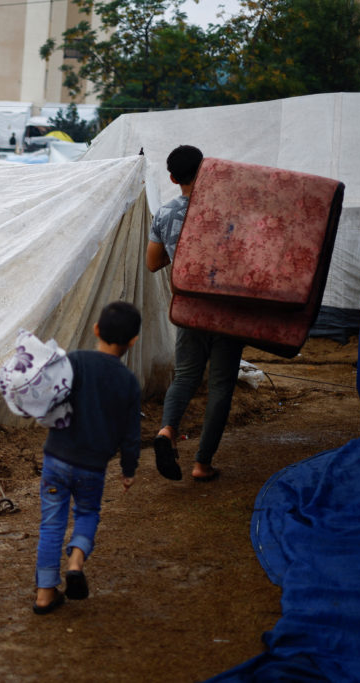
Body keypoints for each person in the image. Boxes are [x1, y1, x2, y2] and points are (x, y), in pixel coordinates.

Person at [32, 301, 142, 614]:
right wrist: (128, 468)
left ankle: (44, 594)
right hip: (92, 468)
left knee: (51, 525)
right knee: (88, 513)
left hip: (56, 458)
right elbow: (131, 432)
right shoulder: (128, 382)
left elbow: (51, 397)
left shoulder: (75, 361)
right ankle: (76, 562)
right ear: (132, 340)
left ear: (96, 330)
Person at [146, 145, 245, 483]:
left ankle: (166, 431)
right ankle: (202, 463)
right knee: (220, 385)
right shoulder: (228, 212)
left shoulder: (164, 214)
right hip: (227, 309)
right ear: (206, 171)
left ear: (173, 178)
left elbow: (153, 262)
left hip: (188, 308)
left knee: (185, 377)